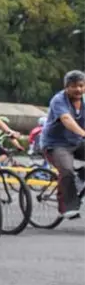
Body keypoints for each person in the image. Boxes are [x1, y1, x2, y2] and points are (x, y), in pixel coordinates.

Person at [41, 70, 85, 219]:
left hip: (77, 142)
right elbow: (66, 119)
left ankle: (81, 177)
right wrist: (83, 133)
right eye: (74, 86)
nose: (78, 89)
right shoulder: (59, 100)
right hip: (56, 144)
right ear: (66, 87)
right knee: (66, 170)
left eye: (81, 85)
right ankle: (67, 207)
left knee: (75, 175)